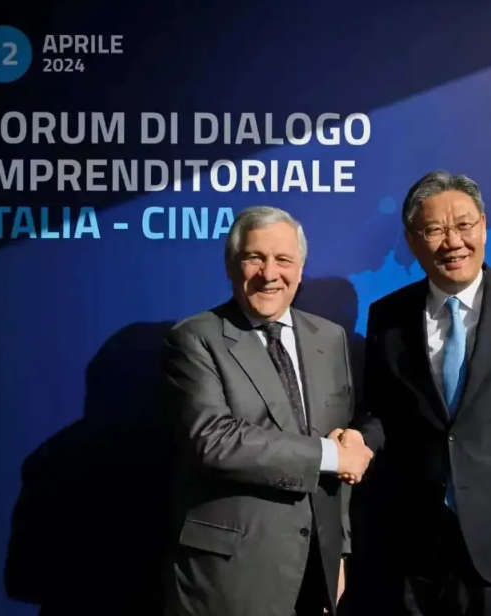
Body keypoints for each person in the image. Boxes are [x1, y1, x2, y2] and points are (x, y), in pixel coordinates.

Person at [344, 171, 491, 616]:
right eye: (434, 230)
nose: (453, 242)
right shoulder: (389, 315)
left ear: (484, 227)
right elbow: (381, 412)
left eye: (464, 225)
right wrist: (359, 438)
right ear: (412, 241)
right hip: (414, 542)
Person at [161, 205, 374, 616]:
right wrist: (332, 455)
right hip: (230, 578)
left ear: (301, 269)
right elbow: (213, 441)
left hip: (316, 574)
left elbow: (342, 436)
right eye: (255, 257)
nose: (269, 273)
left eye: (283, 259)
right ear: (231, 265)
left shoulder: (330, 338)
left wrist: (338, 551)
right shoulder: (194, 339)